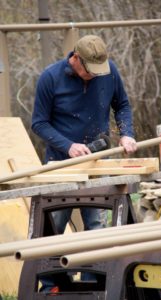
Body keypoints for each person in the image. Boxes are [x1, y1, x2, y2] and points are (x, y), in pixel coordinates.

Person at [31, 34, 137, 292]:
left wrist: (127, 133)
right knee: (54, 226)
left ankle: (94, 286)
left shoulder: (109, 71)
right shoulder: (50, 78)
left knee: (97, 227)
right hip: (60, 165)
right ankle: (50, 287)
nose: (94, 75)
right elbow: (39, 123)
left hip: (98, 162)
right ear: (75, 59)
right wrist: (67, 145)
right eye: (89, 70)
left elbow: (122, 105)